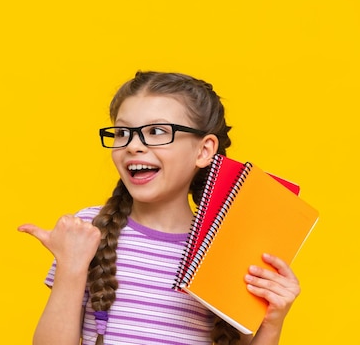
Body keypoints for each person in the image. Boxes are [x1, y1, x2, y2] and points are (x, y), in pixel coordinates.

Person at [18, 71, 301, 345]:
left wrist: (273, 323)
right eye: (122, 132)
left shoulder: (225, 248)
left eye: (156, 131)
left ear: (203, 151)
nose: (133, 146)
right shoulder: (88, 231)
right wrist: (71, 266)